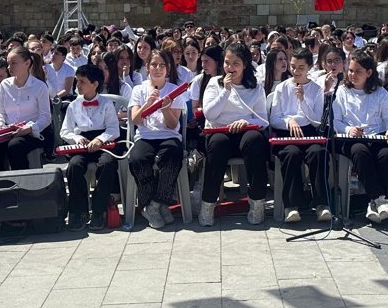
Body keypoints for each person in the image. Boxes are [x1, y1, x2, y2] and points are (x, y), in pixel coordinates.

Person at [199, 43, 270, 226]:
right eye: (227, 63)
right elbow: (210, 114)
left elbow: (263, 120)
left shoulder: (256, 88)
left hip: (245, 133)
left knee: (255, 141)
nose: (230, 68)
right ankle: (208, 203)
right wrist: (226, 91)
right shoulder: (215, 83)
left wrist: (247, 122)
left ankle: (257, 201)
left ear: (245, 64)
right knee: (218, 145)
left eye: (236, 63)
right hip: (219, 132)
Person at [334, 49, 388, 223]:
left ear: (369, 73)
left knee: (387, 155)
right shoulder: (341, 92)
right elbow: (335, 121)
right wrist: (348, 129)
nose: (352, 74)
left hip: (376, 137)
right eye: (350, 70)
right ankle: (379, 199)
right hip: (351, 139)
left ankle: (373, 202)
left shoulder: (380, 93)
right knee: (360, 152)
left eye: (358, 71)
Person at [127, 49, 188, 229]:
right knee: (137, 159)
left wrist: (165, 109)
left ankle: (157, 203)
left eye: (162, 65)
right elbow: (135, 120)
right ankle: (149, 204)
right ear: (147, 67)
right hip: (145, 136)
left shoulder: (174, 90)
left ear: (168, 68)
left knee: (172, 155)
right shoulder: (139, 89)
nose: (158, 68)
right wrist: (148, 103)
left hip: (168, 135)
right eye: (154, 64)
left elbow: (172, 125)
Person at [268, 49, 328, 223]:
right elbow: (274, 119)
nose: (296, 71)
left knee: (318, 153)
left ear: (309, 67)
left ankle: (321, 203)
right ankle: (291, 205)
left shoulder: (316, 90)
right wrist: (289, 121)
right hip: (287, 133)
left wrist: (303, 101)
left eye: (301, 67)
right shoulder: (282, 88)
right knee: (291, 154)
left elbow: (317, 122)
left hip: (309, 131)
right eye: (293, 66)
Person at [59, 63, 122, 231]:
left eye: (82, 82)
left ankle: (99, 209)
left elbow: (113, 129)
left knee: (107, 164)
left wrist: (100, 140)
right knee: (74, 166)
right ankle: (79, 210)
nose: (78, 85)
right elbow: (65, 131)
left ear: (95, 84)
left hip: (103, 143)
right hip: (82, 144)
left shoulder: (106, 103)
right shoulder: (73, 105)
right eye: (77, 81)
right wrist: (77, 138)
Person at [0, 46, 52, 172]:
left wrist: (30, 128)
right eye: (8, 63)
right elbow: (0, 113)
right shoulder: (5, 85)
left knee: (15, 146)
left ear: (27, 63)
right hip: (8, 131)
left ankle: (21, 180)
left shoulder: (39, 87)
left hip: (31, 133)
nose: (9, 67)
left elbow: (46, 117)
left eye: (14, 63)